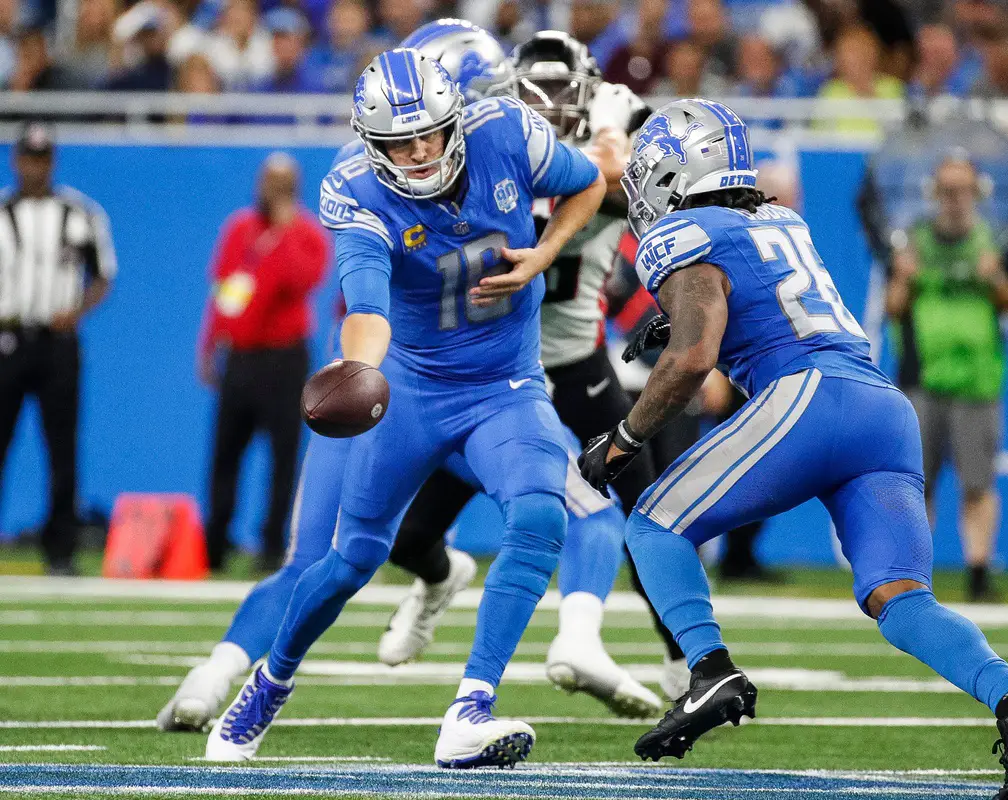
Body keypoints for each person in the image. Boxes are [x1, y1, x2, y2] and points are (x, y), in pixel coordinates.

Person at [578, 98, 1008, 799]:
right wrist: (680, 323)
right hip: (881, 407)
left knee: (654, 522)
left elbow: (694, 356)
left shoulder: (682, 230)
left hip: (809, 399)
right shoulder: (780, 217)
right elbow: (754, 301)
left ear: (674, 172)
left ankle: (707, 669)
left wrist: (623, 440)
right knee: (900, 600)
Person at [203, 48, 606, 767]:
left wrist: (545, 254)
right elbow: (367, 301)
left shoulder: (508, 133)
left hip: (505, 384)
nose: (419, 152)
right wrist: (360, 364)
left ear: (454, 121)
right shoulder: (355, 188)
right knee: (352, 559)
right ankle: (269, 683)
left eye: (429, 133)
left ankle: (469, 710)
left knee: (542, 511)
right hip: (415, 385)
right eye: (399, 140)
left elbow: (590, 180)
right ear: (371, 142)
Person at [374, 26, 678, 707]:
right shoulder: (488, 141)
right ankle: (440, 575)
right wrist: (603, 141)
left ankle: (686, 657)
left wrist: (609, 146)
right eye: (535, 97)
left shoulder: (592, 132)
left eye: (565, 97)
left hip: (572, 362)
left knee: (646, 507)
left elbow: (624, 191)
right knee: (407, 533)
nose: (548, 108)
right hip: (488, 371)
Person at [884, 155, 1008, 601]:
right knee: (916, 486)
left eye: (962, 189)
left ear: (977, 193)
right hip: (923, 377)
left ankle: (979, 573)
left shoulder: (997, 241)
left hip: (977, 380)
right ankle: (913, 575)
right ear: (934, 194)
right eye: (946, 189)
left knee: (978, 484)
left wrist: (997, 278)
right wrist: (904, 279)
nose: (954, 198)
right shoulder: (913, 241)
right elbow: (892, 308)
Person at [198, 153, 329, 573]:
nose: (274, 190)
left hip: (284, 357)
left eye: (284, 183)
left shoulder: (307, 234)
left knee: (283, 455)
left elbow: (300, 281)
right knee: (225, 454)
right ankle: (214, 544)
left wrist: (286, 229)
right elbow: (225, 290)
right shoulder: (239, 228)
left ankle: (271, 547)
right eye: (269, 181)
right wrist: (210, 345)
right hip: (241, 356)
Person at [0, 121, 115, 576]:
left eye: (42, 158)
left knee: (62, 448)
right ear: (16, 160)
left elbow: (103, 274)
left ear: (52, 162)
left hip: (58, 343)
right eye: (29, 157)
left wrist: (77, 310)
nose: (35, 166)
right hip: (7, 339)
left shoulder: (80, 214)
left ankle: (61, 551)